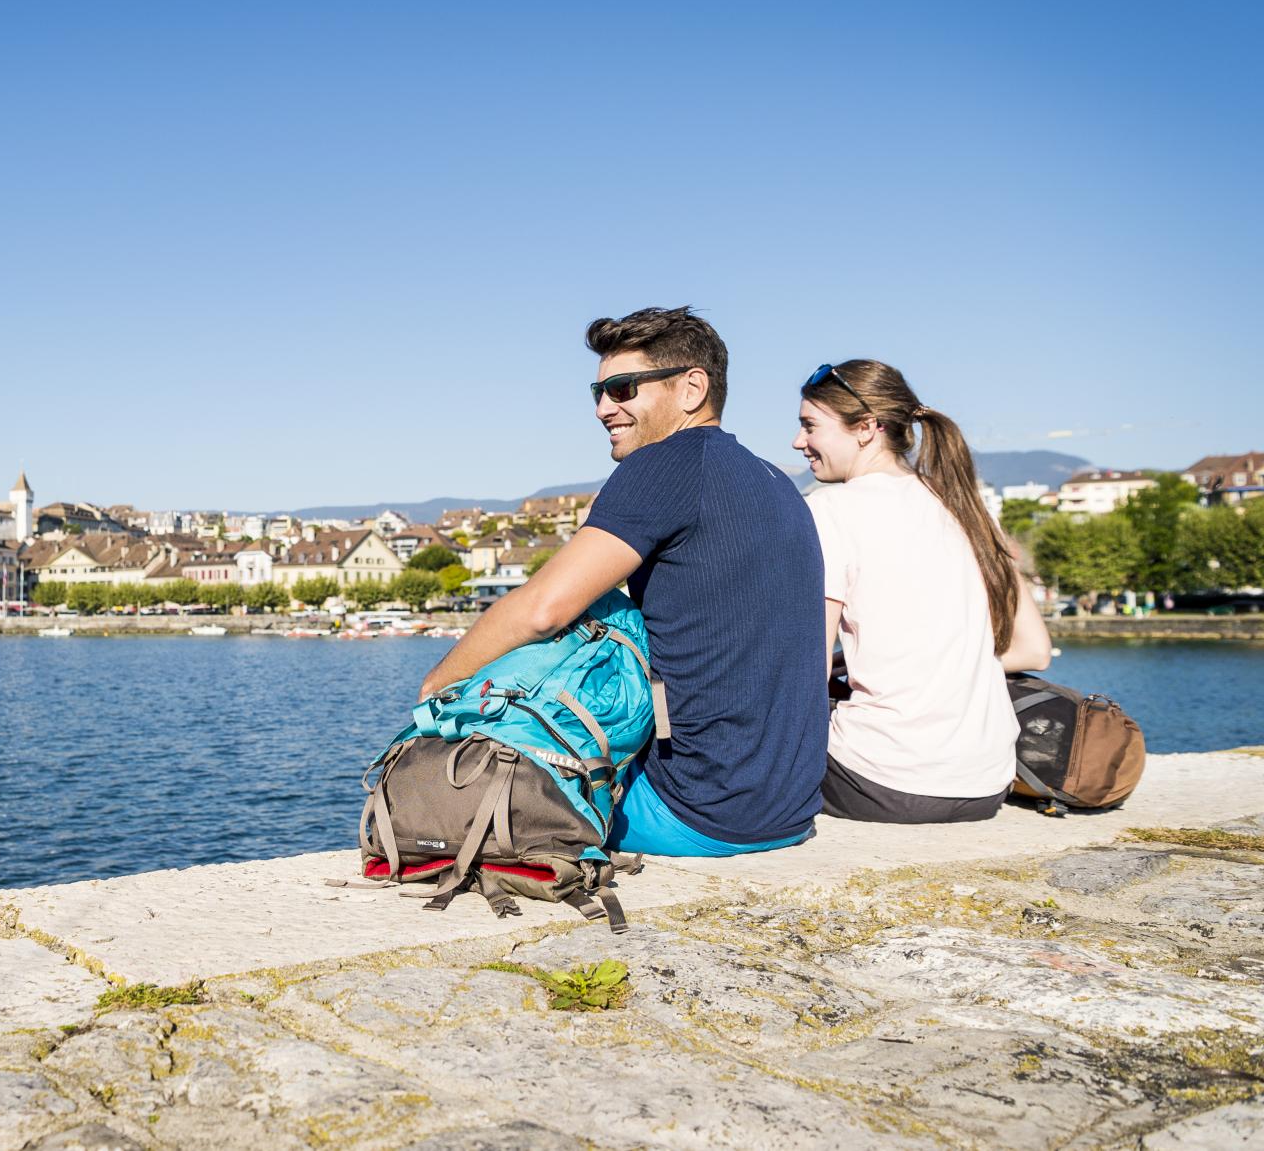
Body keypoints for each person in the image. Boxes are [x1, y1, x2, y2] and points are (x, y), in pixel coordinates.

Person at [418, 306, 827, 856]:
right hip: (789, 812)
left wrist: (438, 688)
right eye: (598, 391)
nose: (603, 408)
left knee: (472, 779)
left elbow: (545, 609)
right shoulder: (775, 480)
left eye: (623, 388)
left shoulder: (663, 464)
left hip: (695, 811)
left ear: (691, 388)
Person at [794, 360, 1053, 823]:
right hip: (986, 785)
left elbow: (806, 669)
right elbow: (1034, 651)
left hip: (881, 781)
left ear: (866, 429)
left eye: (810, 426)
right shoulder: (967, 506)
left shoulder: (829, 508)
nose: (799, 443)